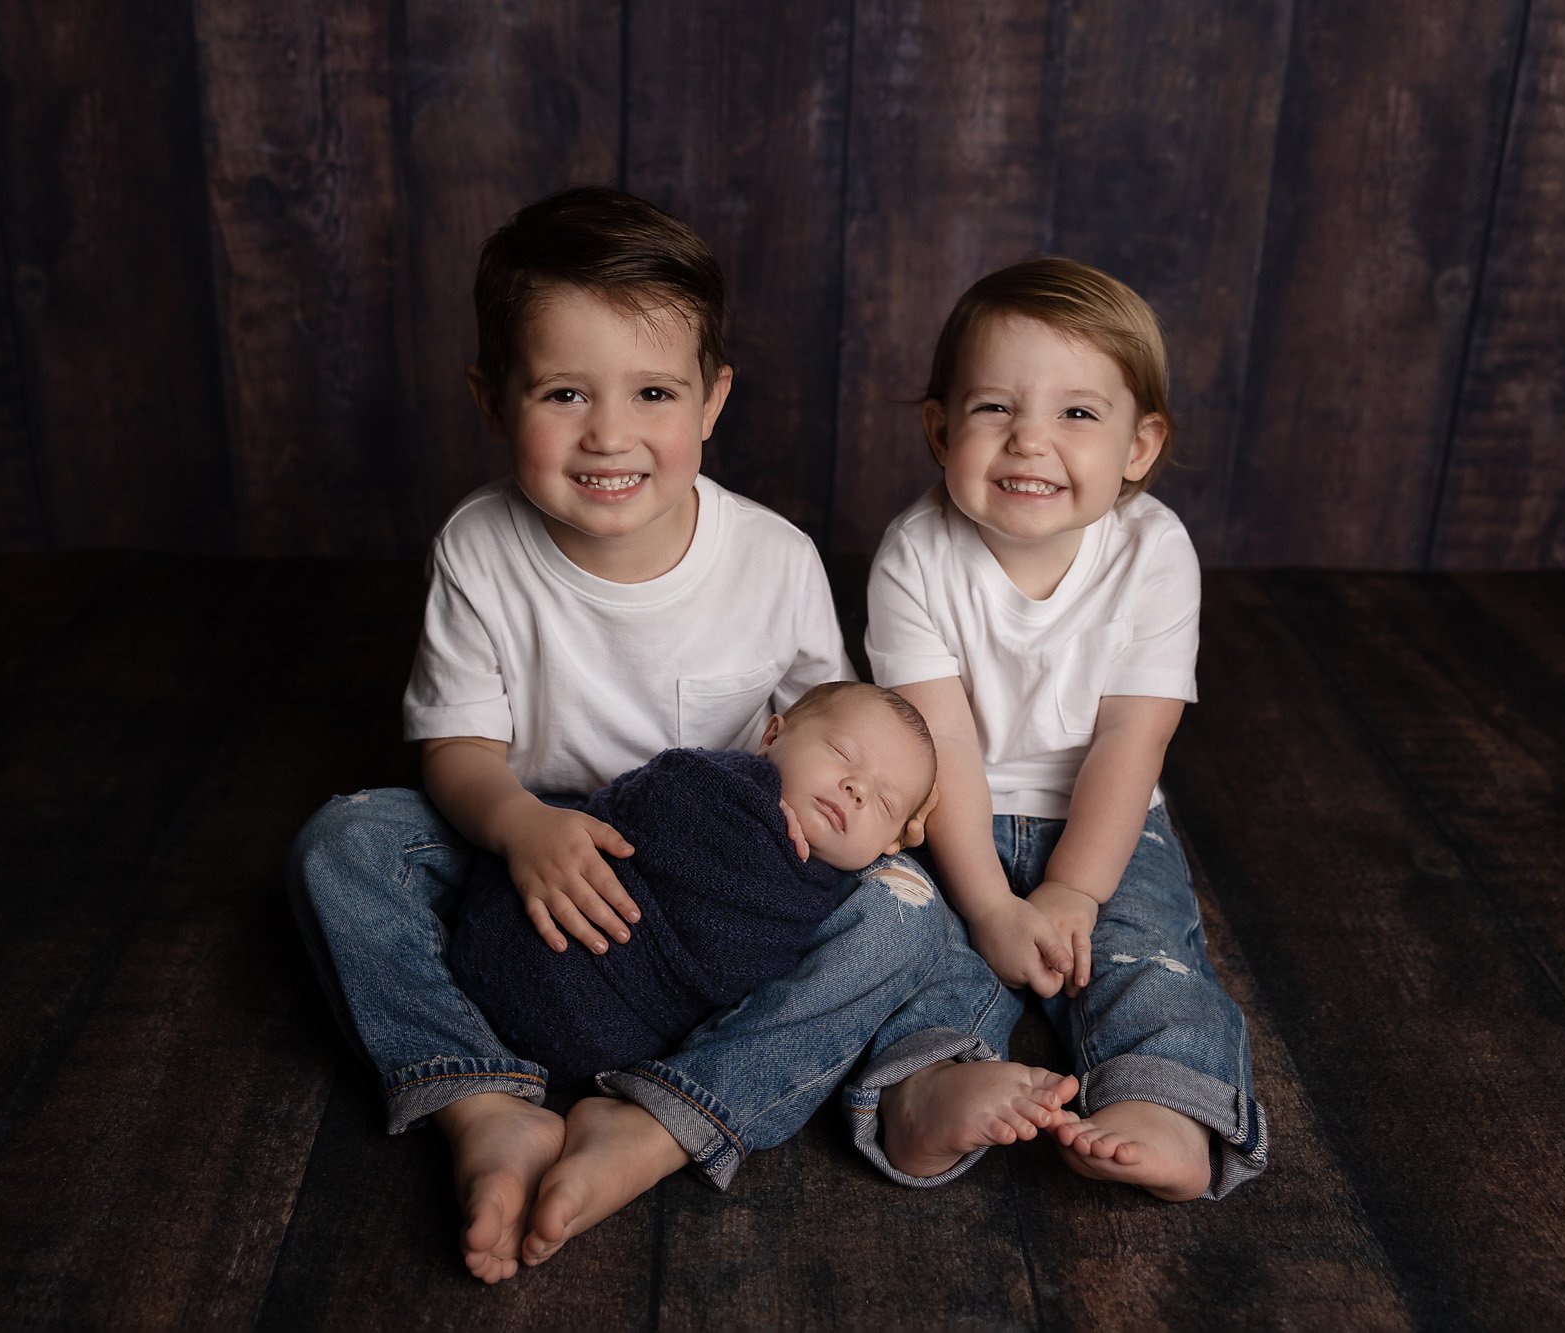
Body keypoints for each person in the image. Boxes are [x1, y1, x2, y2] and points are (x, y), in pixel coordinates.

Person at [285, 187, 1074, 1286]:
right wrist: (518, 824)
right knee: (347, 843)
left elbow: (837, 732)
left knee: (903, 914)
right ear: (491, 398)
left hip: (741, 894)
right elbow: (457, 748)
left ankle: (666, 1117)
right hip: (546, 869)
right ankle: (480, 1097)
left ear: (710, 403)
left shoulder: (773, 558)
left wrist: (890, 819)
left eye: (651, 392)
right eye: (563, 392)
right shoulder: (480, 547)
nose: (608, 433)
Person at [862, 256, 1268, 1201]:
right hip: (940, 815)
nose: (1030, 443)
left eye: (1078, 414)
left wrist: (1078, 890)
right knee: (907, 939)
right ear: (939, 428)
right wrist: (993, 907)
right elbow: (945, 744)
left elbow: (1133, 738)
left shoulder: (1155, 552)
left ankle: (1167, 1103)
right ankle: (925, 1087)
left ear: (1139, 443)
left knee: (1149, 947)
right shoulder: (916, 555)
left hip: (1103, 816)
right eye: (995, 408)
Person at [451, 682, 938, 1081]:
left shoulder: (838, 898)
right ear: (772, 737)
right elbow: (647, 803)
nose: (857, 789)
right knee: (384, 829)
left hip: (619, 1029)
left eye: (884, 804)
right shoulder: (708, 783)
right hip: (531, 919)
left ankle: (676, 1109)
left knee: (916, 914)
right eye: (840, 753)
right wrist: (754, 801)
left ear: (892, 843)